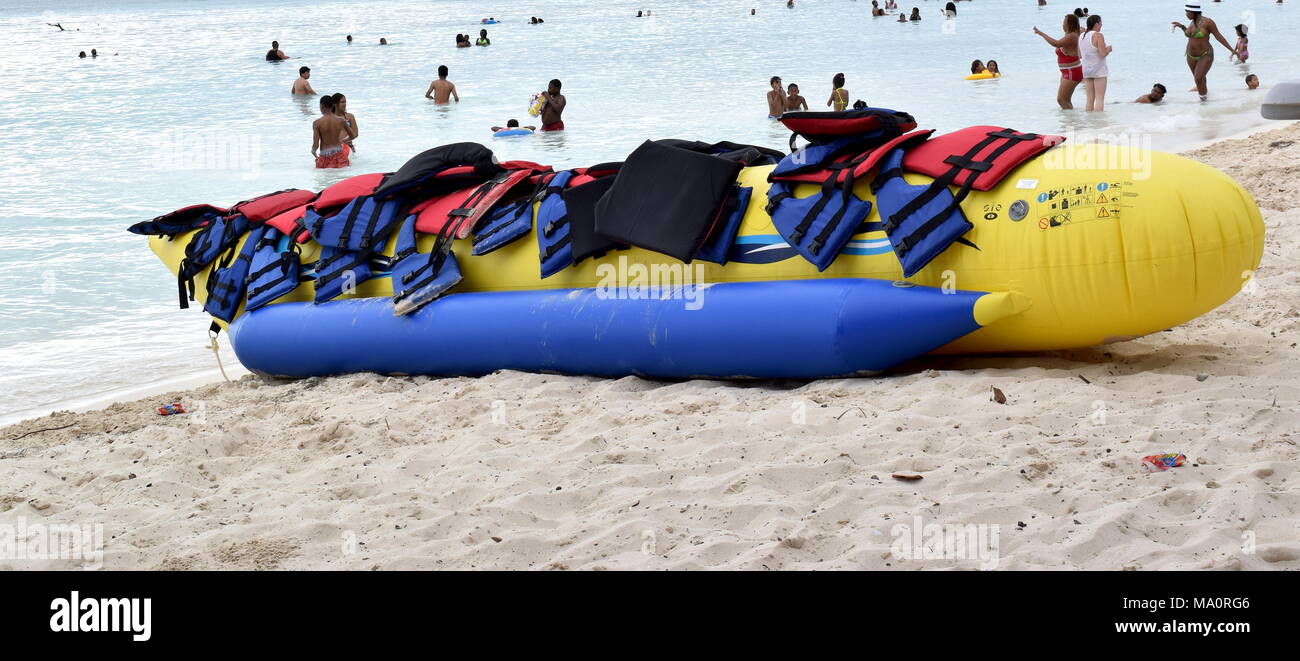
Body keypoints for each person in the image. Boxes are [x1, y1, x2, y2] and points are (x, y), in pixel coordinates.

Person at [1172, 2, 1237, 98]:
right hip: (1190, 56)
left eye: (1187, 12)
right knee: (1201, 79)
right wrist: (1181, 26)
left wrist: (1232, 50)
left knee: (1198, 78)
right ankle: (1206, 100)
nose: (1186, 14)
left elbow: (1219, 37)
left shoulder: (1208, 22)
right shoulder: (1192, 22)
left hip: (1205, 54)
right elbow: (1190, 35)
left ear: (1194, 12)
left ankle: (1203, 102)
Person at [1034, 14, 1084, 109]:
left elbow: (1056, 44)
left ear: (1070, 24)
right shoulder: (1071, 35)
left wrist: (1041, 34)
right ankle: (1070, 120)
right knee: (1064, 100)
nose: (1062, 25)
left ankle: (1072, 121)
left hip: (1072, 71)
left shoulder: (1072, 36)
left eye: (1064, 23)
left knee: (1062, 100)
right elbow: (1082, 30)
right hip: (1067, 71)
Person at [1080, 14, 1111, 111]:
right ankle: (1098, 124)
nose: (1102, 25)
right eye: (1101, 23)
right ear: (1096, 23)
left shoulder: (1081, 36)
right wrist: (1108, 49)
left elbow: (1080, 55)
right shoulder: (1098, 35)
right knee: (1099, 99)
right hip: (1099, 71)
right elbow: (1102, 53)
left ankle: (1089, 123)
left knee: (1089, 100)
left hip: (1086, 71)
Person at [312, 96, 353, 169]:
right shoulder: (341, 120)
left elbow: (316, 145)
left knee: (326, 178)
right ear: (332, 106)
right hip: (339, 153)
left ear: (321, 106)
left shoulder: (317, 123)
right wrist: (343, 141)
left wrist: (313, 151)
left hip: (325, 155)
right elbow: (352, 135)